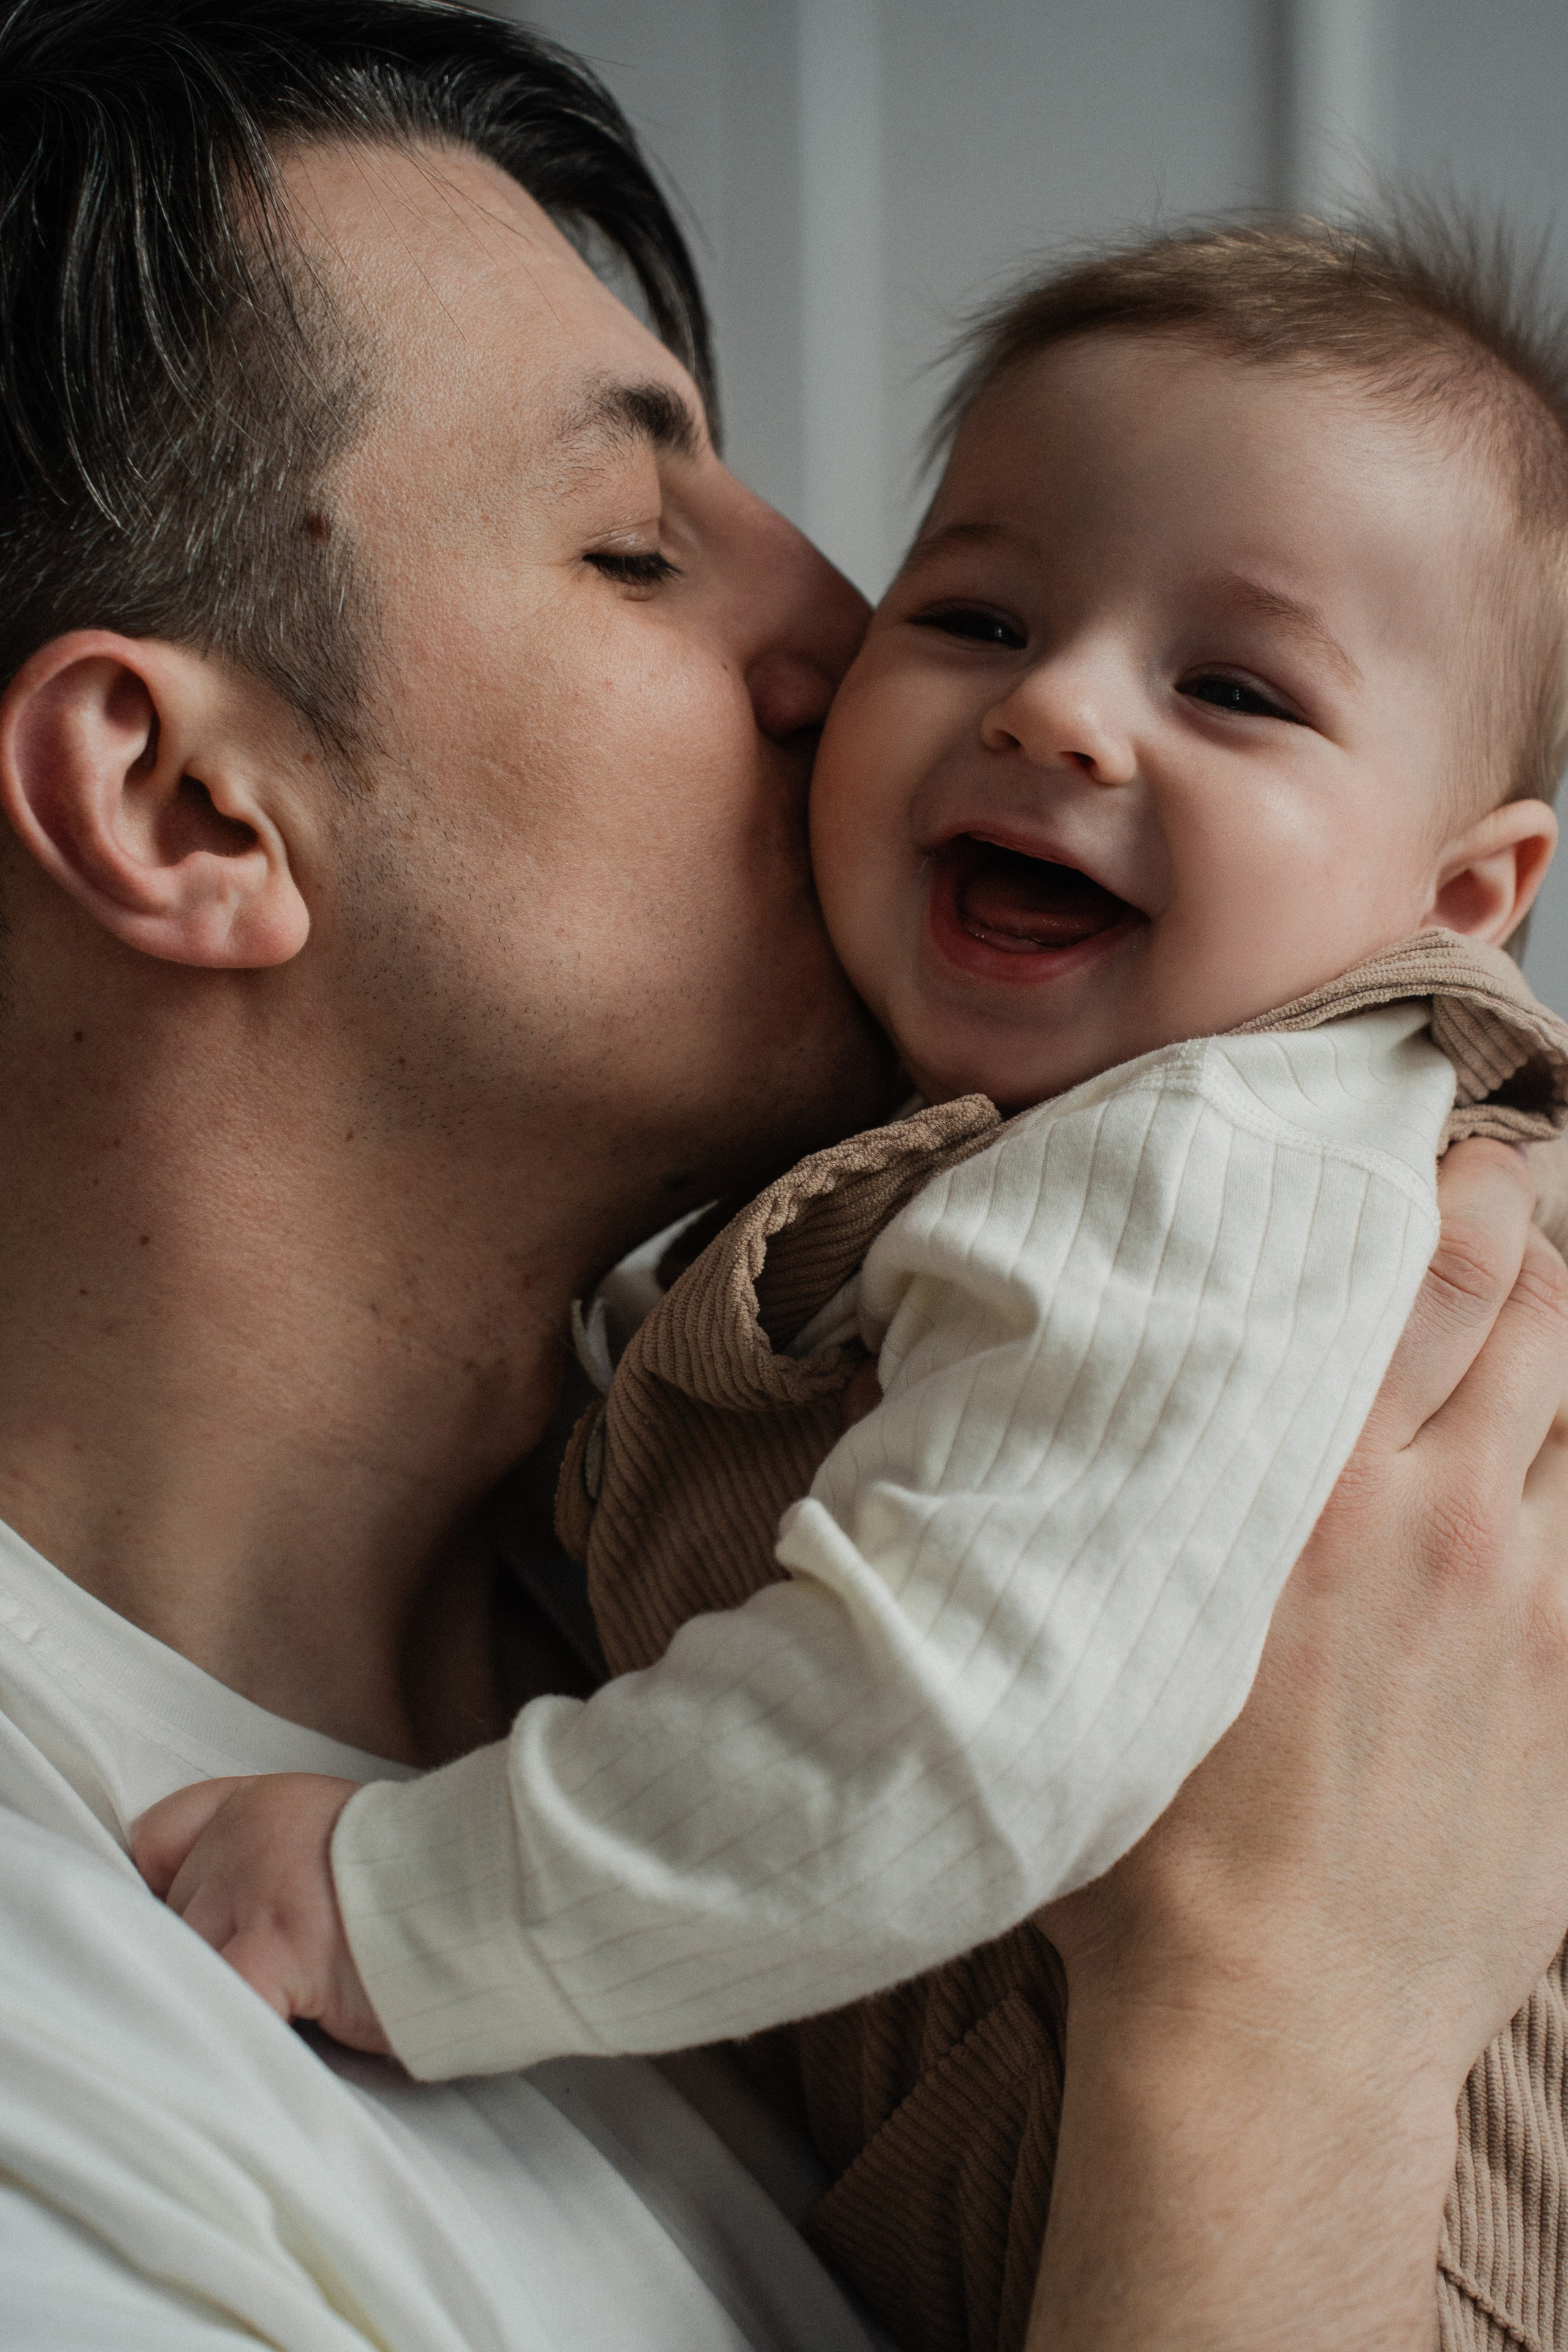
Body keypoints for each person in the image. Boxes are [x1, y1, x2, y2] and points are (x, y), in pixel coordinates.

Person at [0, 2, 1566, 2350]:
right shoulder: (76, 2035)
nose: (846, 636)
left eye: (1235, 688)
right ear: (187, 806)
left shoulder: (731, 1525)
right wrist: (1287, 2015)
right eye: (639, 549)